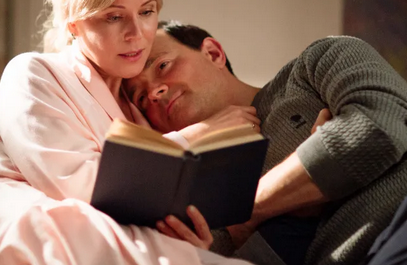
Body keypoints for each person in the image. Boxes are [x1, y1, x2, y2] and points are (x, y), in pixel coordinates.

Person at [0, 0, 253, 265]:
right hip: (32, 232)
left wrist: (185, 234)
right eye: (114, 16)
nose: (137, 33)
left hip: (111, 238)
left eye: (147, 12)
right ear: (73, 24)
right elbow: (80, 186)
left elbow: (151, 205)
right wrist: (198, 135)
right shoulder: (33, 73)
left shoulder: (138, 108)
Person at [124, 21, 407, 265]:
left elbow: (380, 126)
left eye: (163, 65)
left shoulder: (317, 62)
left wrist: (247, 212)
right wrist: (315, 166)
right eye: (140, 98)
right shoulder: (197, 203)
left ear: (213, 53)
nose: (154, 92)